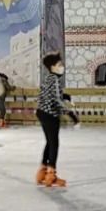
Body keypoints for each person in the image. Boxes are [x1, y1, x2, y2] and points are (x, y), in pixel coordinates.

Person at [36, 53, 67, 188]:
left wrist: (65, 96)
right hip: (50, 114)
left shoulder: (48, 78)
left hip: (42, 112)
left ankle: (42, 171)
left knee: (49, 142)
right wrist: (70, 113)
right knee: (54, 143)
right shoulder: (54, 79)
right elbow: (56, 99)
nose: (62, 67)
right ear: (52, 67)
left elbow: (50, 95)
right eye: (59, 65)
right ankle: (51, 174)